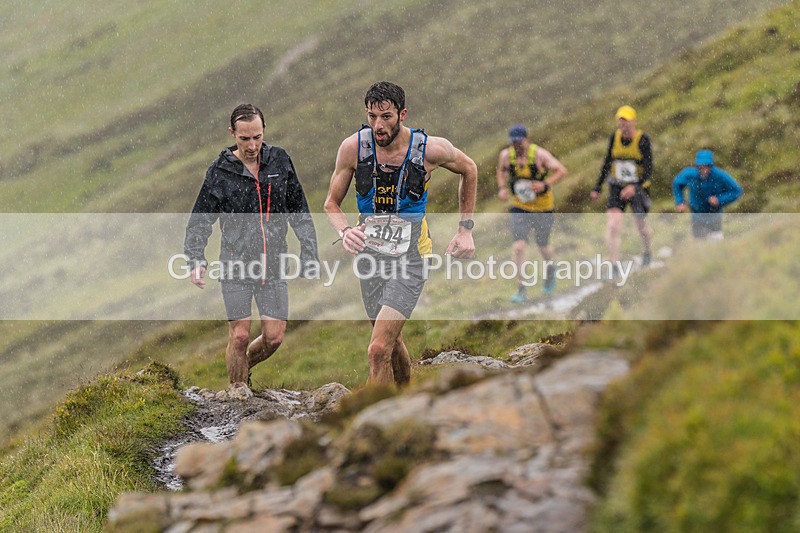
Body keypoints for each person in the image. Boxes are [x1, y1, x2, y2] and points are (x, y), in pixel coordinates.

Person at [324, 81, 477, 386]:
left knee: (377, 348)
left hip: (412, 258)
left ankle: (375, 418)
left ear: (402, 114)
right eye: (372, 117)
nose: (378, 126)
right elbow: (331, 204)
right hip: (371, 258)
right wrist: (345, 231)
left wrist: (466, 230)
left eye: (386, 117)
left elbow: (469, 169)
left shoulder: (430, 149)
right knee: (389, 343)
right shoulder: (353, 148)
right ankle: (406, 400)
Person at [184, 104, 318, 399]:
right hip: (235, 266)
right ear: (232, 134)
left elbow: (299, 209)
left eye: (257, 137)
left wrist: (310, 253)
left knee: (274, 338)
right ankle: (237, 396)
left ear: (264, 132)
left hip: (273, 265)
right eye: (245, 139)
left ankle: (241, 372)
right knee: (241, 335)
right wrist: (196, 260)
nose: (252, 145)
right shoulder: (219, 172)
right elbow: (199, 221)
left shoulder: (280, 161)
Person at [497, 124, 567, 302]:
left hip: (543, 207)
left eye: (519, 142)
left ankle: (551, 269)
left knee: (542, 246)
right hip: (521, 206)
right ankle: (521, 288)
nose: (517, 146)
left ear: (526, 140)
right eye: (513, 142)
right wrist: (503, 188)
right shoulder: (506, 156)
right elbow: (501, 170)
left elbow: (561, 170)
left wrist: (545, 184)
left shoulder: (539, 155)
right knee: (518, 247)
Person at [590, 105, 654, 273]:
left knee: (641, 225)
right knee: (613, 225)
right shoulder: (614, 137)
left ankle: (648, 252)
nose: (623, 124)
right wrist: (597, 187)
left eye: (626, 120)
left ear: (634, 121)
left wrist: (635, 187)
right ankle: (614, 265)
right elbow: (607, 163)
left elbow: (648, 171)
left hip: (638, 187)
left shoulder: (643, 140)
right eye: (620, 120)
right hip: (616, 186)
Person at [672, 149, 742, 240]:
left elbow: (736, 191)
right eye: (701, 167)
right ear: (697, 166)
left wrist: (719, 199)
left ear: (711, 166)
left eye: (706, 166)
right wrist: (680, 201)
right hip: (696, 214)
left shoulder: (720, 176)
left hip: (714, 215)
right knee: (699, 243)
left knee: (715, 242)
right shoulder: (689, 174)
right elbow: (676, 183)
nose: (704, 170)